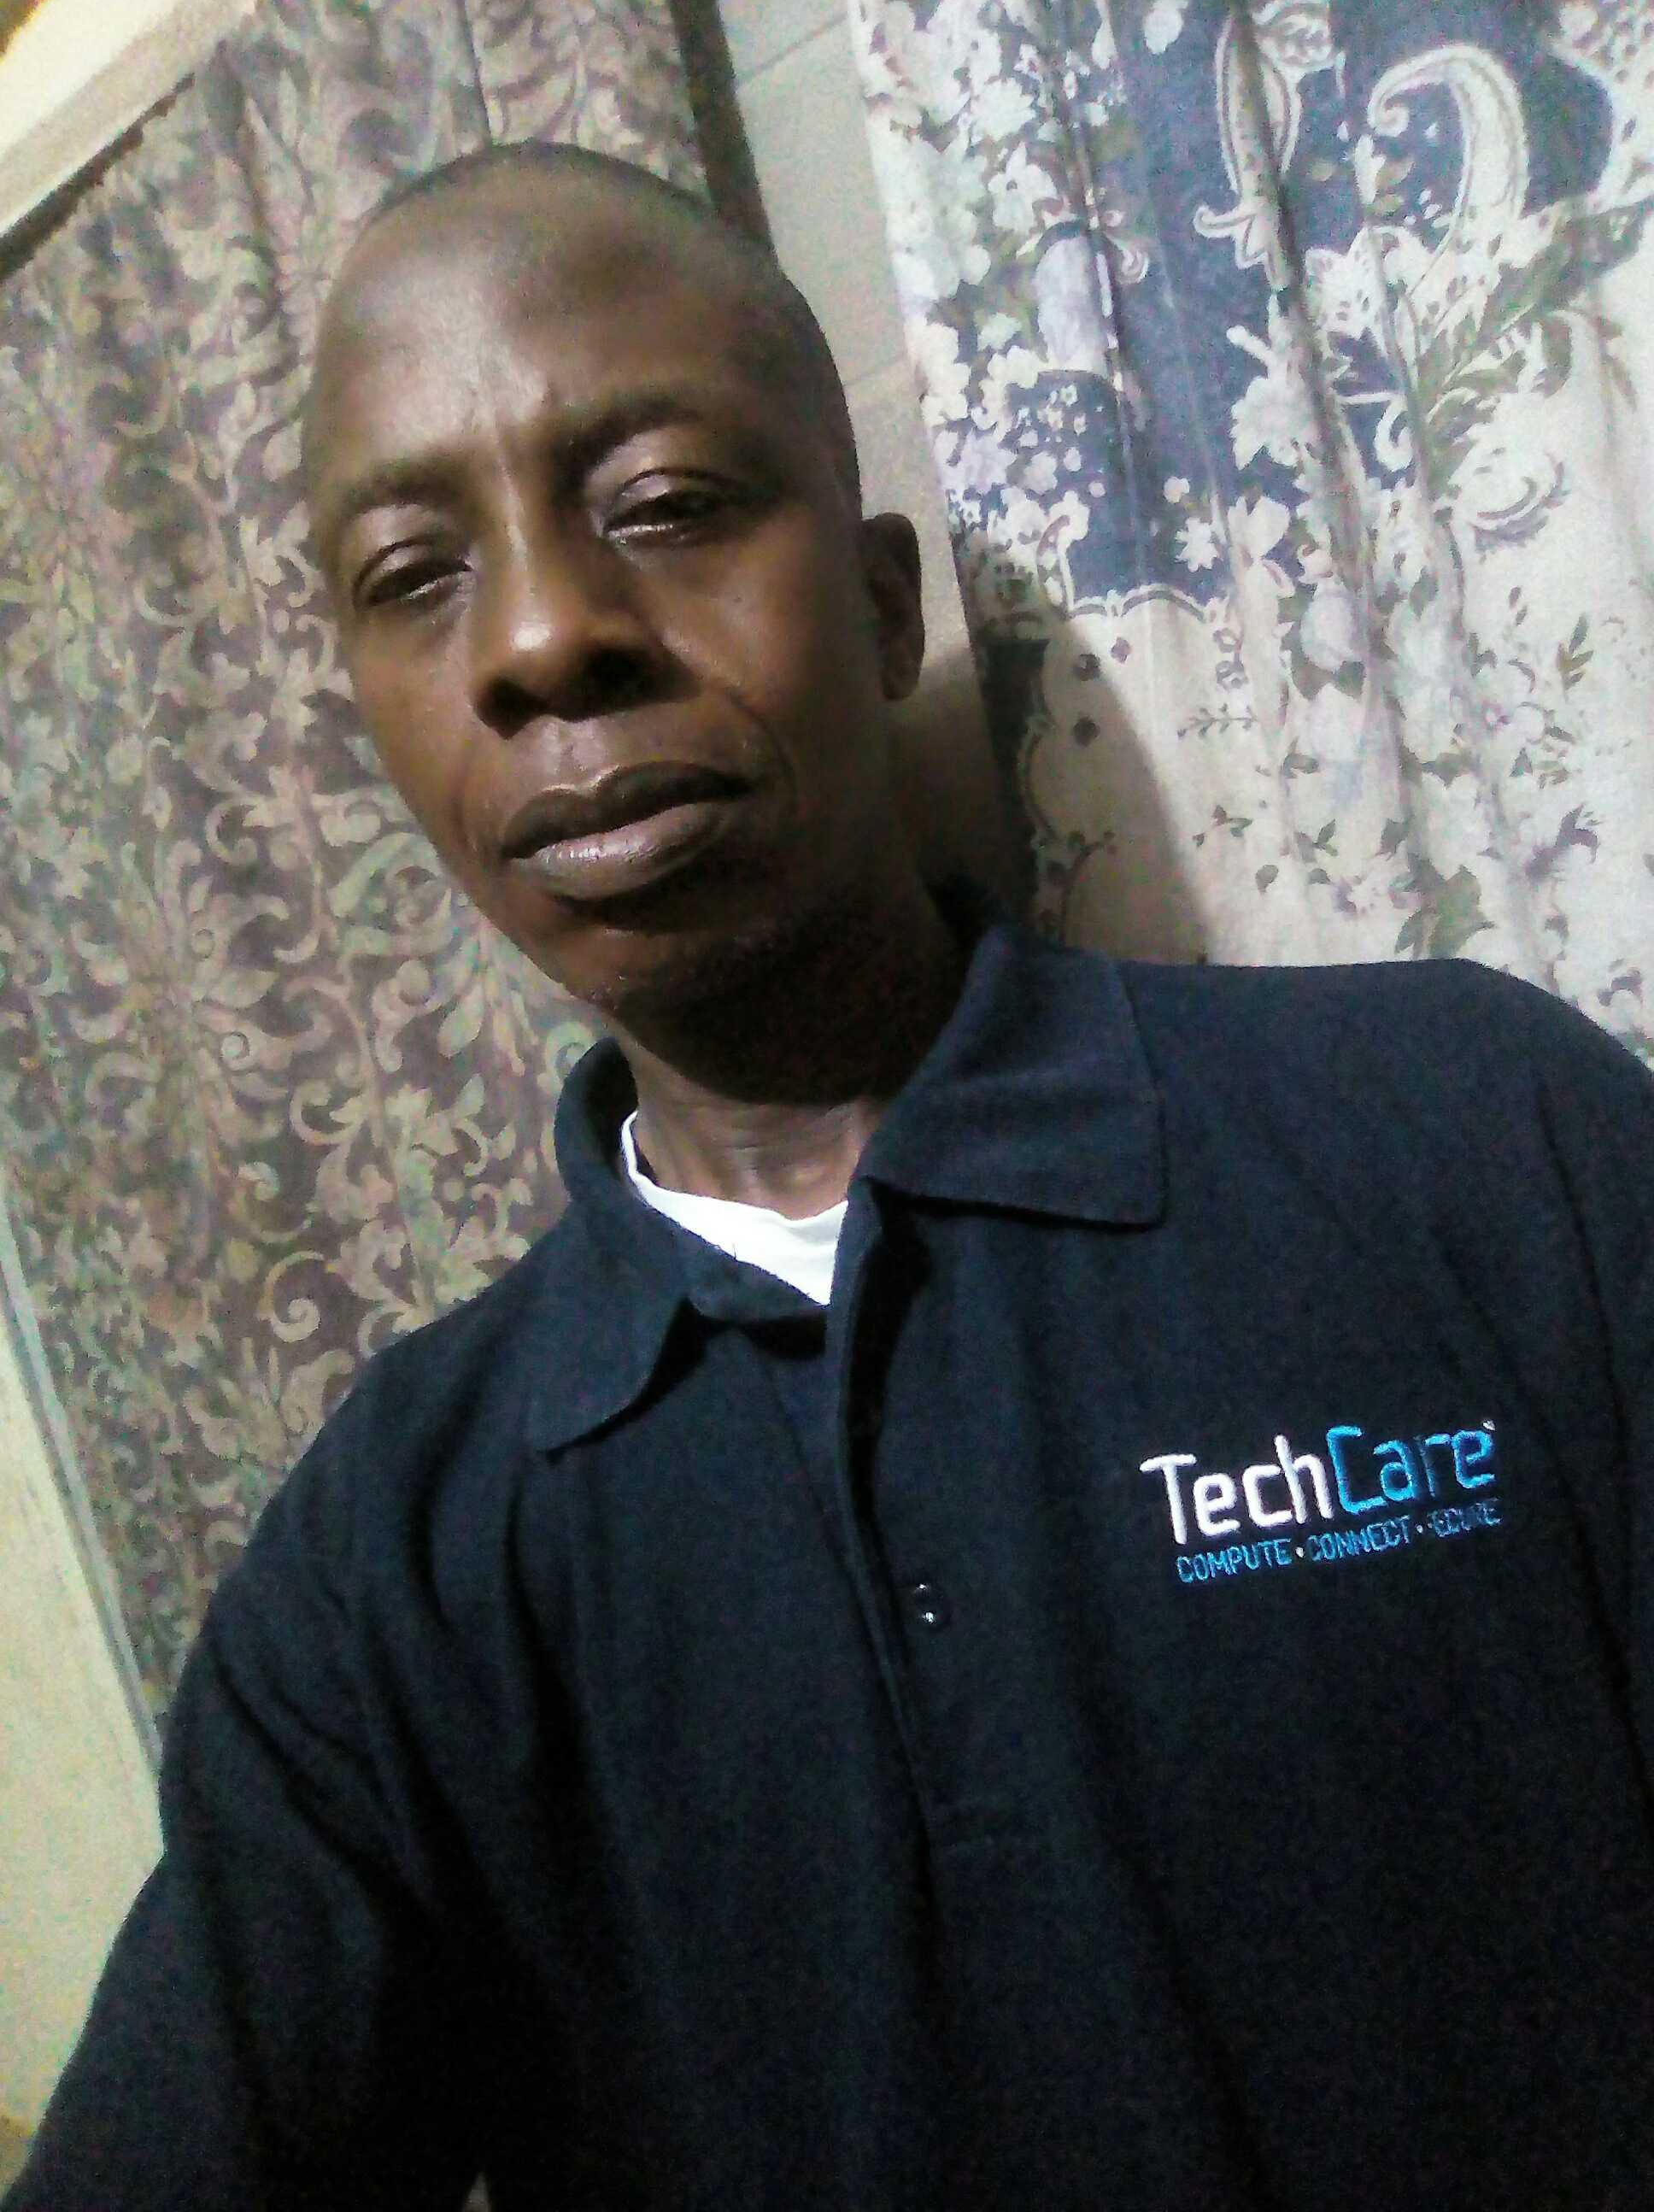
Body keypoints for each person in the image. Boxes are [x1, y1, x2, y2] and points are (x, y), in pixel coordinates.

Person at [10, 141, 1654, 2212]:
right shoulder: (389, 1568)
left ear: (882, 609)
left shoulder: (1470, 1140)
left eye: (663, 504)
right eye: (413, 577)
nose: (539, 637)